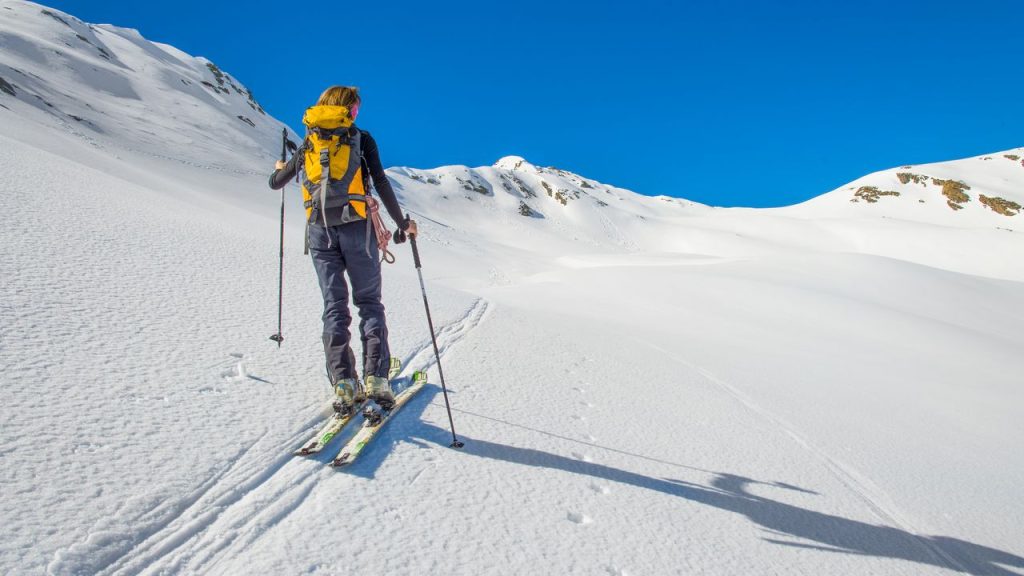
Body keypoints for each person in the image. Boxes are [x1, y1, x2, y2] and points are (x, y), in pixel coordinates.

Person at [268, 85, 416, 412]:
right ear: (349, 109)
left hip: (319, 231)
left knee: (335, 306)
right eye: (356, 109)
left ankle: (344, 383)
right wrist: (402, 223)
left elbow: (275, 183)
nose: (356, 114)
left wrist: (280, 170)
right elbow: (380, 181)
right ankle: (376, 378)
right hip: (357, 229)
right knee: (369, 303)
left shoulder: (311, 138)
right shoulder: (360, 138)